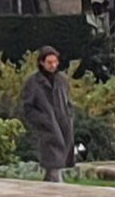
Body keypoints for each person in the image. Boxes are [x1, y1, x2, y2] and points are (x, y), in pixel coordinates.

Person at [21, 45, 75, 183]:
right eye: (49, 62)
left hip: (63, 126)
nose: (53, 65)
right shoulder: (33, 82)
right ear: (41, 62)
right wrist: (42, 120)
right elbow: (28, 108)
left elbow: (68, 101)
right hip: (47, 129)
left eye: (55, 62)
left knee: (55, 167)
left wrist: (69, 116)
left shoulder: (62, 80)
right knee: (53, 165)